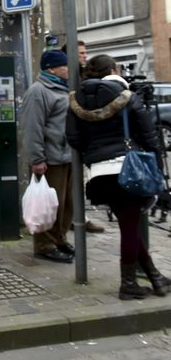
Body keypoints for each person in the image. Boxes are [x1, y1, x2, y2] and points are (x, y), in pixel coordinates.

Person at [66, 55, 171, 299]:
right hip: (127, 171)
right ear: (114, 70)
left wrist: (93, 153)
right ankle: (128, 284)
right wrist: (155, 166)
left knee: (129, 225)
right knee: (130, 227)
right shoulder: (127, 97)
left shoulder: (76, 100)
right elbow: (148, 136)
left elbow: (73, 138)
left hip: (99, 175)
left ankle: (155, 277)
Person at [21, 50, 74, 263]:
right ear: (52, 68)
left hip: (67, 156)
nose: (69, 69)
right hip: (50, 158)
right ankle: (44, 244)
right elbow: (32, 127)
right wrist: (37, 159)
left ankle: (59, 238)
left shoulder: (64, 89)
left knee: (66, 204)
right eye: (65, 65)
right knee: (48, 204)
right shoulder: (39, 91)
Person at [61, 39, 106, 234]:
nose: (84, 56)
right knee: (71, 183)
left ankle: (79, 217)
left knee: (80, 181)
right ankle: (75, 219)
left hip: (82, 137)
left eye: (85, 52)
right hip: (68, 138)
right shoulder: (66, 79)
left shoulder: (83, 76)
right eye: (80, 53)